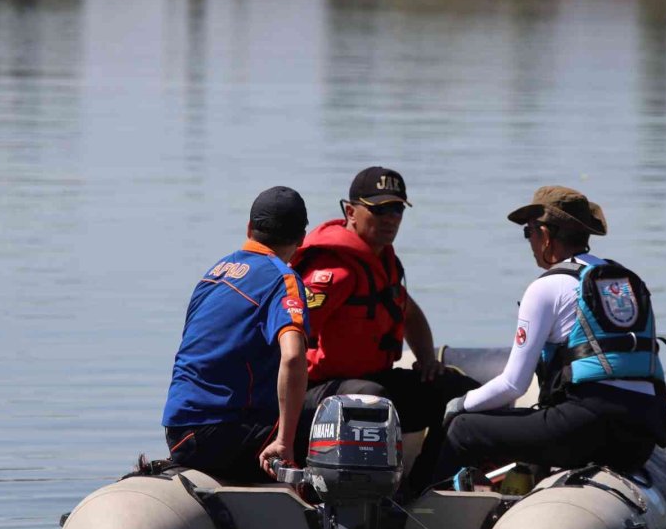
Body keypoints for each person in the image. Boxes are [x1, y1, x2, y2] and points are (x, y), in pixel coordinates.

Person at [435, 185, 666, 484]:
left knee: (463, 428)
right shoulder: (625, 280)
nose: (529, 241)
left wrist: (456, 406)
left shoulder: (547, 286)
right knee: (541, 421)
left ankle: (419, 510)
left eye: (529, 232)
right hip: (640, 439)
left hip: (587, 428)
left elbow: (513, 384)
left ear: (545, 234)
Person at [291, 166, 477, 491]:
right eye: (379, 210)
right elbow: (288, 337)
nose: (391, 218)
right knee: (373, 401)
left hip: (372, 380)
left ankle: (425, 483)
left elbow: (410, 314)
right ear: (350, 211)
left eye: (397, 209)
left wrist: (427, 360)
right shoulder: (334, 273)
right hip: (317, 392)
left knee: (461, 392)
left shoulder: (380, 263)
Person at [162, 186, 310, 481]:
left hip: (178, 431)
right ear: (302, 239)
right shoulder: (283, 279)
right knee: (332, 423)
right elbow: (293, 357)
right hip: (223, 435)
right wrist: (283, 442)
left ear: (249, 228)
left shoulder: (215, 272)